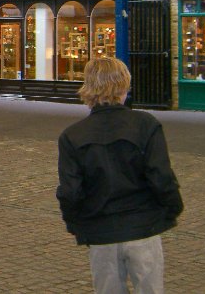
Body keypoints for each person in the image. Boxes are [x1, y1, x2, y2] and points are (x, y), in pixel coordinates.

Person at [56, 57, 183, 294]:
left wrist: (76, 224)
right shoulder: (145, 125)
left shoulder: (73, 135)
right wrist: (171, 210)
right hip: (143, 227)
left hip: (102, 231)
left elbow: (70, 191)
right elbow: (162, 177)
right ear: (124, 86)